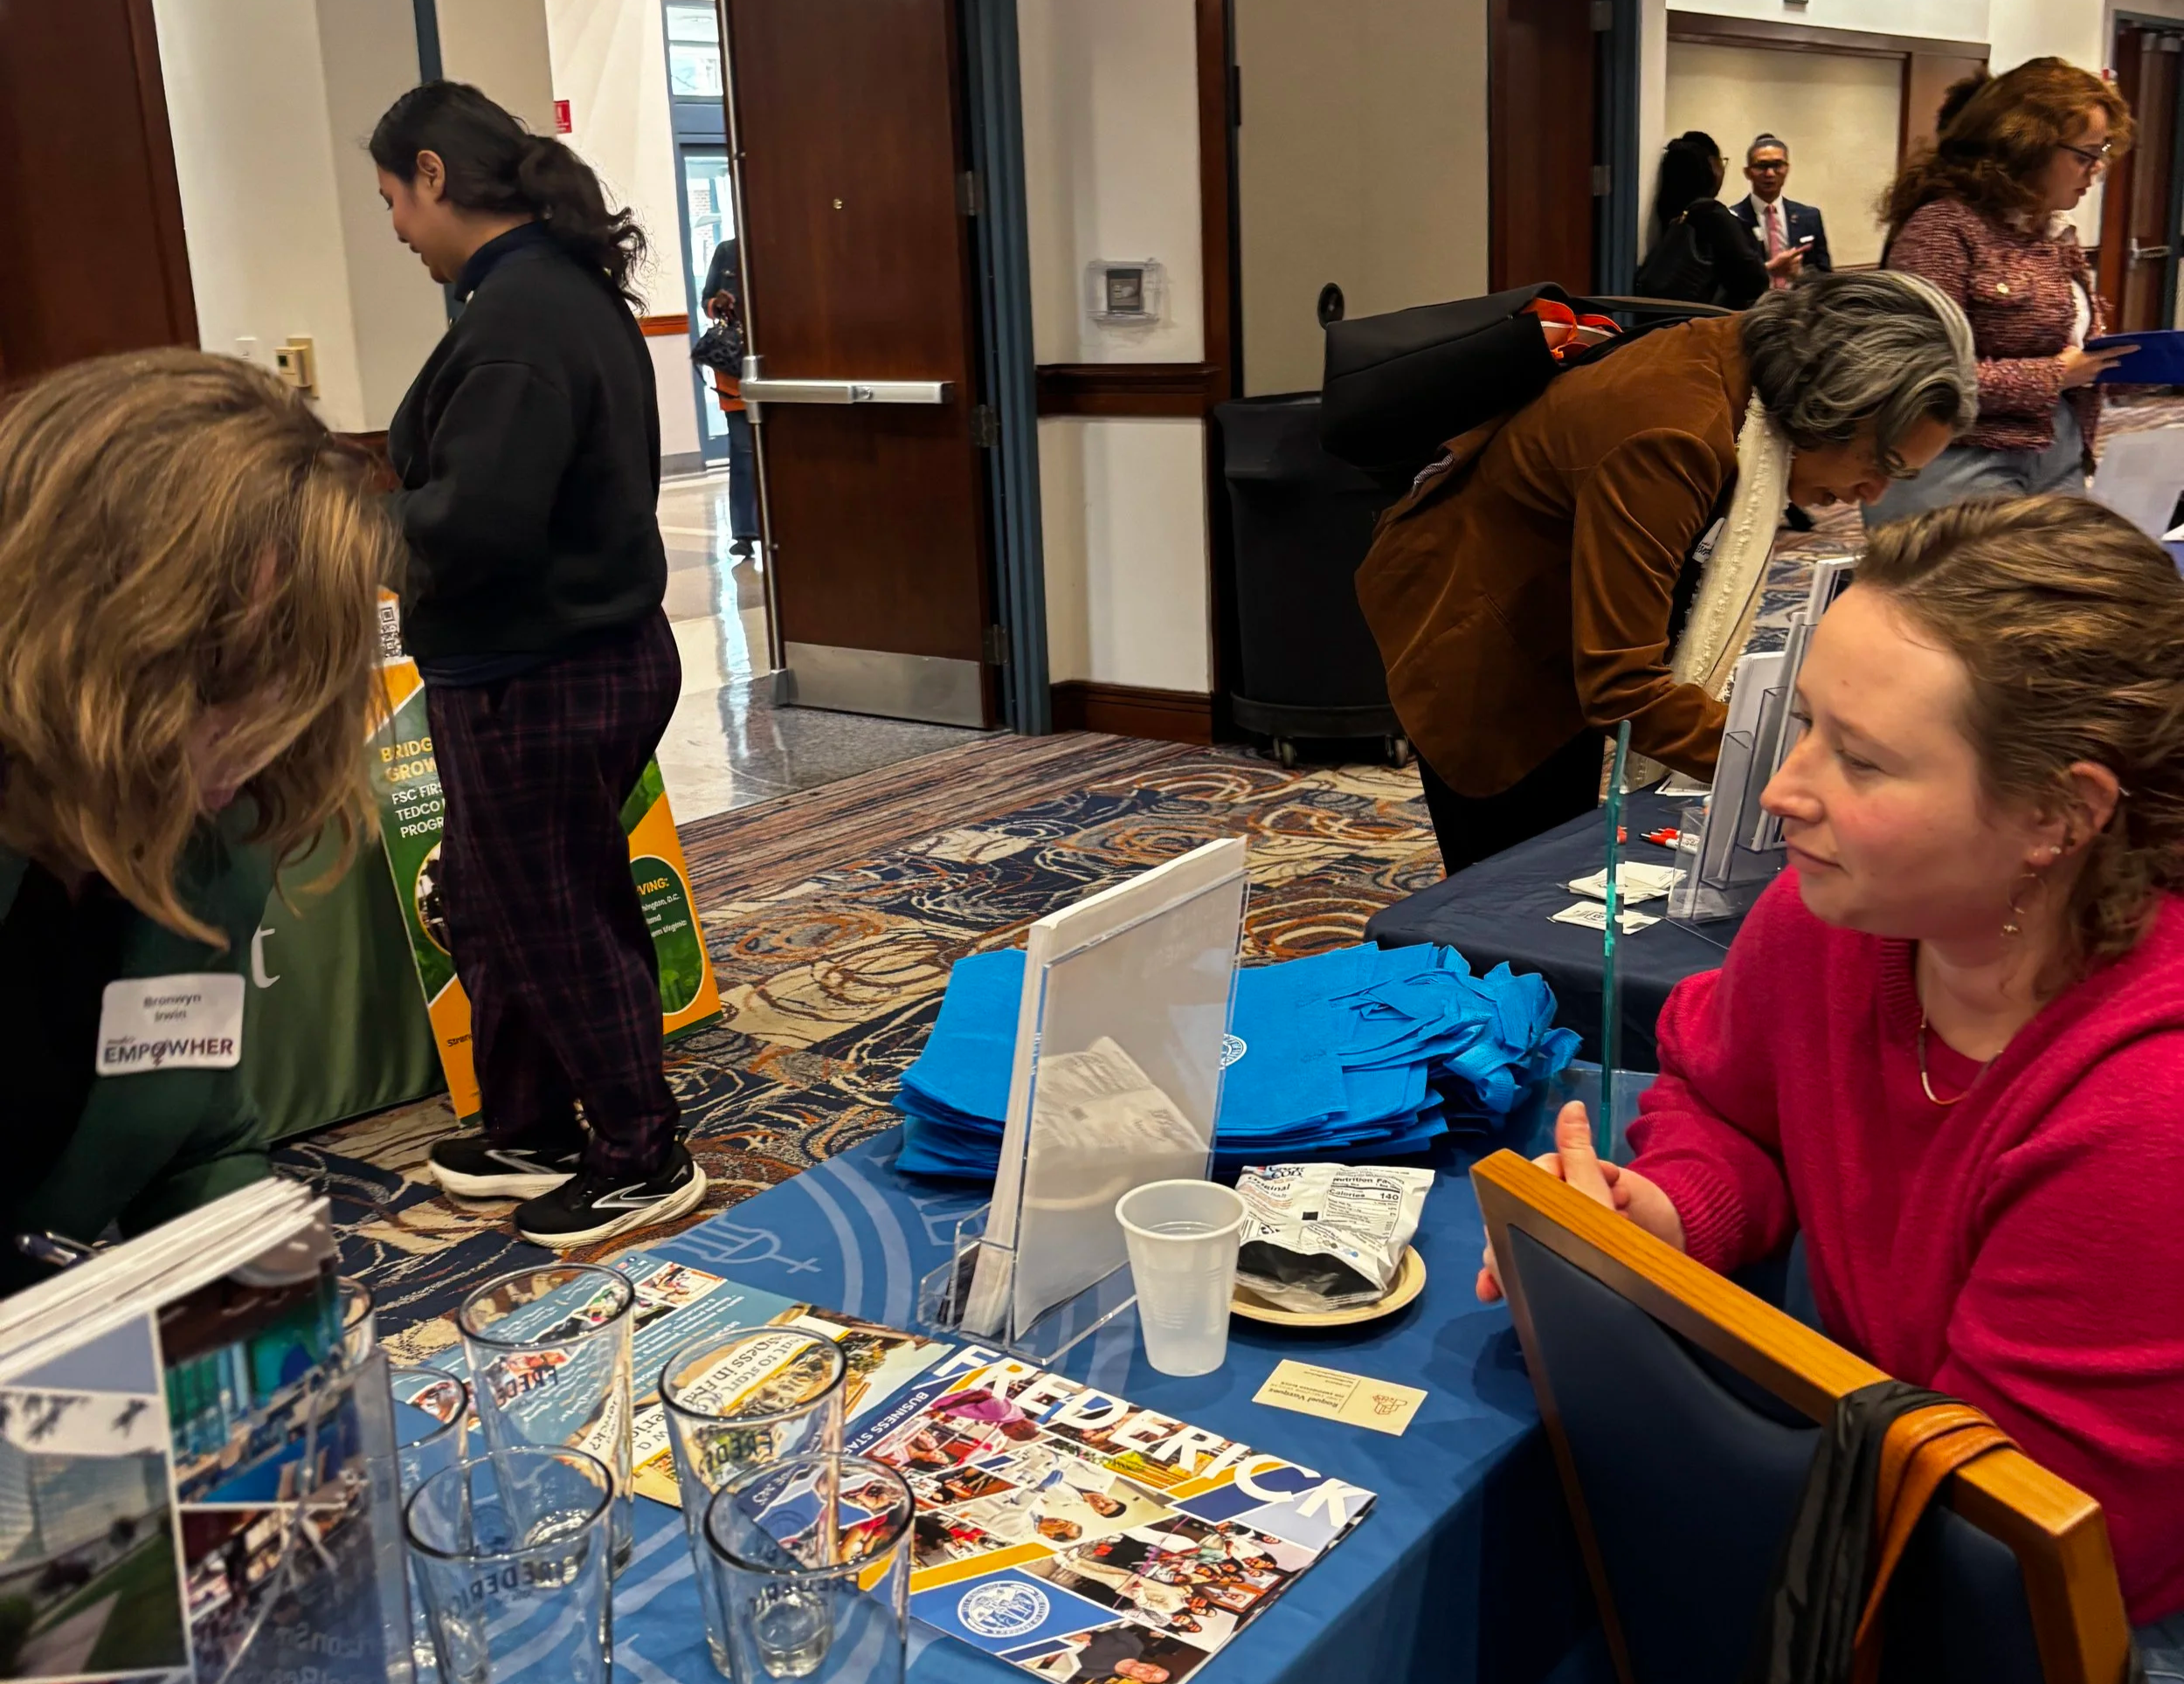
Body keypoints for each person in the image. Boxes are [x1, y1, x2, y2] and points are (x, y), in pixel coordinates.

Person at [1477, 497, 2184, 1653]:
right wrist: (1662, 1210)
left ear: (2061, 812)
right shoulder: (1834, 927)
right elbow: (1728, 1104)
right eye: (1804, 725)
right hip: (1895, 1490)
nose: (1781, 791)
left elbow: (2020, 1562)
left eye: (1859, 759)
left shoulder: (2147, 1113)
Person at [370, 80, 708, 1247]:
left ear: (431, 174)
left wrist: (359, 531)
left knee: (557, 909)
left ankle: (637, 1148)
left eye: (393, 204)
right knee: (491, 896)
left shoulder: (517, 318)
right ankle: (527, 1125)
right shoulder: (547, 295)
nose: (398, 233)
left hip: (544, 668)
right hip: (551, 659)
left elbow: (480, 524)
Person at [1356, 270, 1974, 875]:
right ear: (1833, 404)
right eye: (1880, 461)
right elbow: (1621, 690)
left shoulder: (1755, 357)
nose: (1872, 493)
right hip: (1477, 634)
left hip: (1556, 615)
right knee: (1509, 885)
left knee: (1560, 844)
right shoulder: (1671, 434)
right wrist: (1811, 763)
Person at [0, 351, 390, 1292]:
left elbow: (194, 1137)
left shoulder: (218, 837)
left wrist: (273, 1314)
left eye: (291, 680)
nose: (255, 739)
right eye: (217, 676)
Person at [1870, 59, 2139, 523]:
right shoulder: (1941, 229)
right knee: (1970, 595)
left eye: (2103, 152)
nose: (2096, 171)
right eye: (2085, 154)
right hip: (1956, 458)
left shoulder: (2048, 233)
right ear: (2025, 147)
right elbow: (1918, 374)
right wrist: (2054, 375)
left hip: (2056, 448)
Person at [1635, 132, 1799, 307]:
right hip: (1704, 325)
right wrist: (1769, 269)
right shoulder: (1713, 215)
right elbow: (1753, 281)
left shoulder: (1672, 213)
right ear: (1712, 165)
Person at [699, 238, 762, 554]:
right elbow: (706, 301)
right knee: (743, 451)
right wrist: (718, 305)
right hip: (735, 369)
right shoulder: (727, 251)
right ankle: (746, 533)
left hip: (778, 367)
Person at [1729, 134, 1832, 286]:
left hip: (1800, 304)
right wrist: (1767, 270)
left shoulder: (1810, 216)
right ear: (1747, 172)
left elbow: (1826, 275)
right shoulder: (1732, 219)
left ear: (1787, 168)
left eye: (1777, 165)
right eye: (1761, 166)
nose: (1770, 173)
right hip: (1754, 306)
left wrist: (1800, 274)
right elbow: (1728, 279)